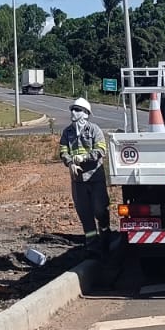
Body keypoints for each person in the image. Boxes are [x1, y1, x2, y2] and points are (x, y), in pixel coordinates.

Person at [59, 98, 110, 255]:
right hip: (78, 181)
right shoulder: (67, 132)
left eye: (78, 110)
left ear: (86, 114)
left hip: (95, 178)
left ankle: (106, 236)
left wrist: (84, 158)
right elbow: (63, 151)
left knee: (99, 210)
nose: (73, 112)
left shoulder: (94, 130)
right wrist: (70, 163)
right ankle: (93, 247)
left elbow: (101, 149)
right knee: (85, 213)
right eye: (73, 109)